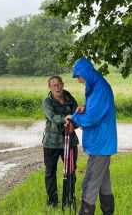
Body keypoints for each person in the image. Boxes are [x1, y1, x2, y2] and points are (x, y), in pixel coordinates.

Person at [65, 58, 117, 215]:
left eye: (79, 76)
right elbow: (93, 111)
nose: (79, 80)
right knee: (103, 183)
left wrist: (74, 118)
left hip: (100, 144)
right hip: (101, 143)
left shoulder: (100, 88)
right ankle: (108, 212)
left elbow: (91, 119)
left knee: (89, 184)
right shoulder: (96, 87)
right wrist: (83, 110)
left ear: (86, 72)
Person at [43, 75, 79, 207]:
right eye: (54, 85)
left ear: (62, 85)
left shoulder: (70, 98)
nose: (57, 87)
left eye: (59, 84)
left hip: (69, 142)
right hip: (51, 143)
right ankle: (52, 202)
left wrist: (75, 121)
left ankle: (68, 200)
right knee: (50, 172)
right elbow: (52, 116)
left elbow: (77, 115)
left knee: (70, 171)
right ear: (50, 87)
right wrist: (66, 119)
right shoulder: (47, 102)